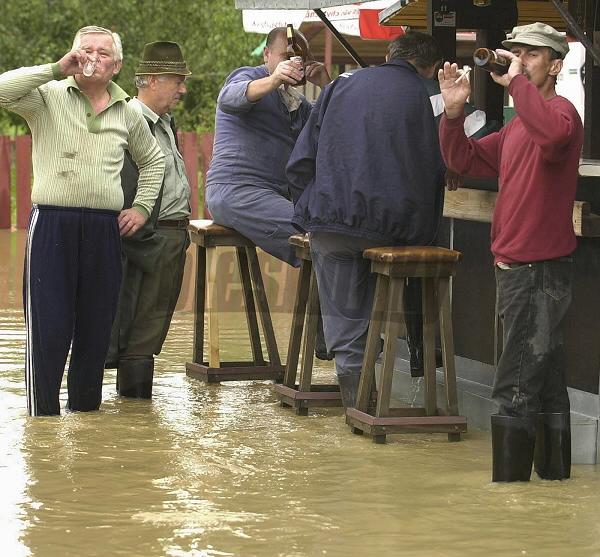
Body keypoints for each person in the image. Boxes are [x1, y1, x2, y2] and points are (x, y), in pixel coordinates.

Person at [437, 22, 583, 481]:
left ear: (555, 65)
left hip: (537, 271)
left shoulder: (561, 115)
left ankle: (511, 504)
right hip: (522, 269)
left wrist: (517, 82)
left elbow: (554, 137)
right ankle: (553, 491)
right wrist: (454, 114)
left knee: (513, 386)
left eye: (532, 55)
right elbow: (462, 160)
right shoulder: (521, 125)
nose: (520, 60)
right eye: (517, 52)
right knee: (546, 385)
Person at [0, 26, 165, 416]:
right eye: (84, 50)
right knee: (49, 328)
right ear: (73, 56)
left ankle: (87, 420)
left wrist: (141, 207)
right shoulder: (46, 97)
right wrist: (56, 68)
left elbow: (152, 160)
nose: (92, 57)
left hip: (104, 229)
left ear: (117, 65)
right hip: (53, 224)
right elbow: (3, 90)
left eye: (102, 52)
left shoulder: (128, 110)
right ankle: (43, 422)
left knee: (96, 330)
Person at [286, 31, 446, 408]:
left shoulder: (341, 85)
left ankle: (357, 407)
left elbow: (300, 162)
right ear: (431, 68)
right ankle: (375, 397)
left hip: (331, 224)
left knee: (345, 316)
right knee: (378, 298)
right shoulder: (421, 97)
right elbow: (431, 172)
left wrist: (310, 208)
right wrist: (422, 235)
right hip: (391, 231)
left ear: (389, 54)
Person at [205, 26, 332, 357]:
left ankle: (330, 336)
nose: (292, 65)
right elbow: (231, 97)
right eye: (285, 57)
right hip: (234, 191)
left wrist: (327, 86)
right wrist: (275, 78)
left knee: (330, 236)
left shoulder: (298, 103)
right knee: (317, 237)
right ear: (267, 56)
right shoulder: (250, 77)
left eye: (298, 61)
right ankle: (333, 336)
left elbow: (330, 128)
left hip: (269, 196)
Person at [106, 41, 191, 399]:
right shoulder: (130, 121)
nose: (183, 89)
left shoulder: (164, 122)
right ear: (152, 80)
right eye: (177, 80)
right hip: (149, 238)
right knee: (140, 332)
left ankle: (128, 428)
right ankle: (134, 419)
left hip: (164, 236)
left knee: (141, 331)